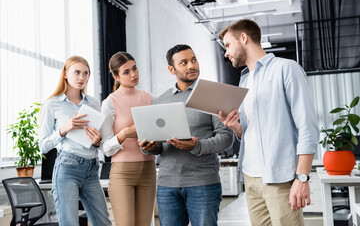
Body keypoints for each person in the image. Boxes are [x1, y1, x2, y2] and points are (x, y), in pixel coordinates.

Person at [218, 19, 319, 226]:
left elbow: (307, 126)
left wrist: (302, 178)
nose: (226, 53)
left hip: (280, 177)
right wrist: (237, 128)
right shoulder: (244, 80)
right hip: (250, 176)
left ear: (243, 38)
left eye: (228, 45)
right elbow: (252, 131)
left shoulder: (286, 69)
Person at [140, 44, 233, 226]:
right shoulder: (160, 101)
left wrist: (196, 146)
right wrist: (149, 148)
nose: (191, 65)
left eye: (193, 60)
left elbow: (226, 138)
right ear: (171, 69)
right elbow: (159, 143)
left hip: (203, 183)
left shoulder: (212, 95)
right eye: (184, 62)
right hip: (167, 185)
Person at [39, 56, 111, 226]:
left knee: (103, 223)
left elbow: (100, 141)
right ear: (65, 74)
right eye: (77, 72)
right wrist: (64, 129)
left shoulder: (93, 103)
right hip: (67, 168)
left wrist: (97, 141)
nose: (82, 78)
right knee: (70, 223)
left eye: (86, 73)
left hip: (92, 168)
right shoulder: (52, 104)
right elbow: (43, 146)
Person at [100, 52, 156, 226]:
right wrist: (123, 134)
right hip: (123, 173)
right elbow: (105, 148)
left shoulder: (151, 98)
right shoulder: (110, 103)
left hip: (149, 170)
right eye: (126, 72)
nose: (134, 74)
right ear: (116, 76)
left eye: (135, 68)